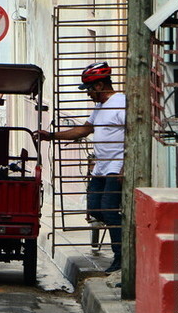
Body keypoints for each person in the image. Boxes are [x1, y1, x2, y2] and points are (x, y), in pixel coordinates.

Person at [35, 61, 125, 274]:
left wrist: (125, 167)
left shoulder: (121, 103)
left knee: (109, 210)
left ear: (100, 86)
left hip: (116, 165)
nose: (88, 94)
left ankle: (122, 257)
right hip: (101, 167)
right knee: (94, 208)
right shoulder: (100, 106)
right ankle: (124, 232)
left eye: (90, 89)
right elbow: (84, 130)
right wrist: (52, 136)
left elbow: (134, 132)